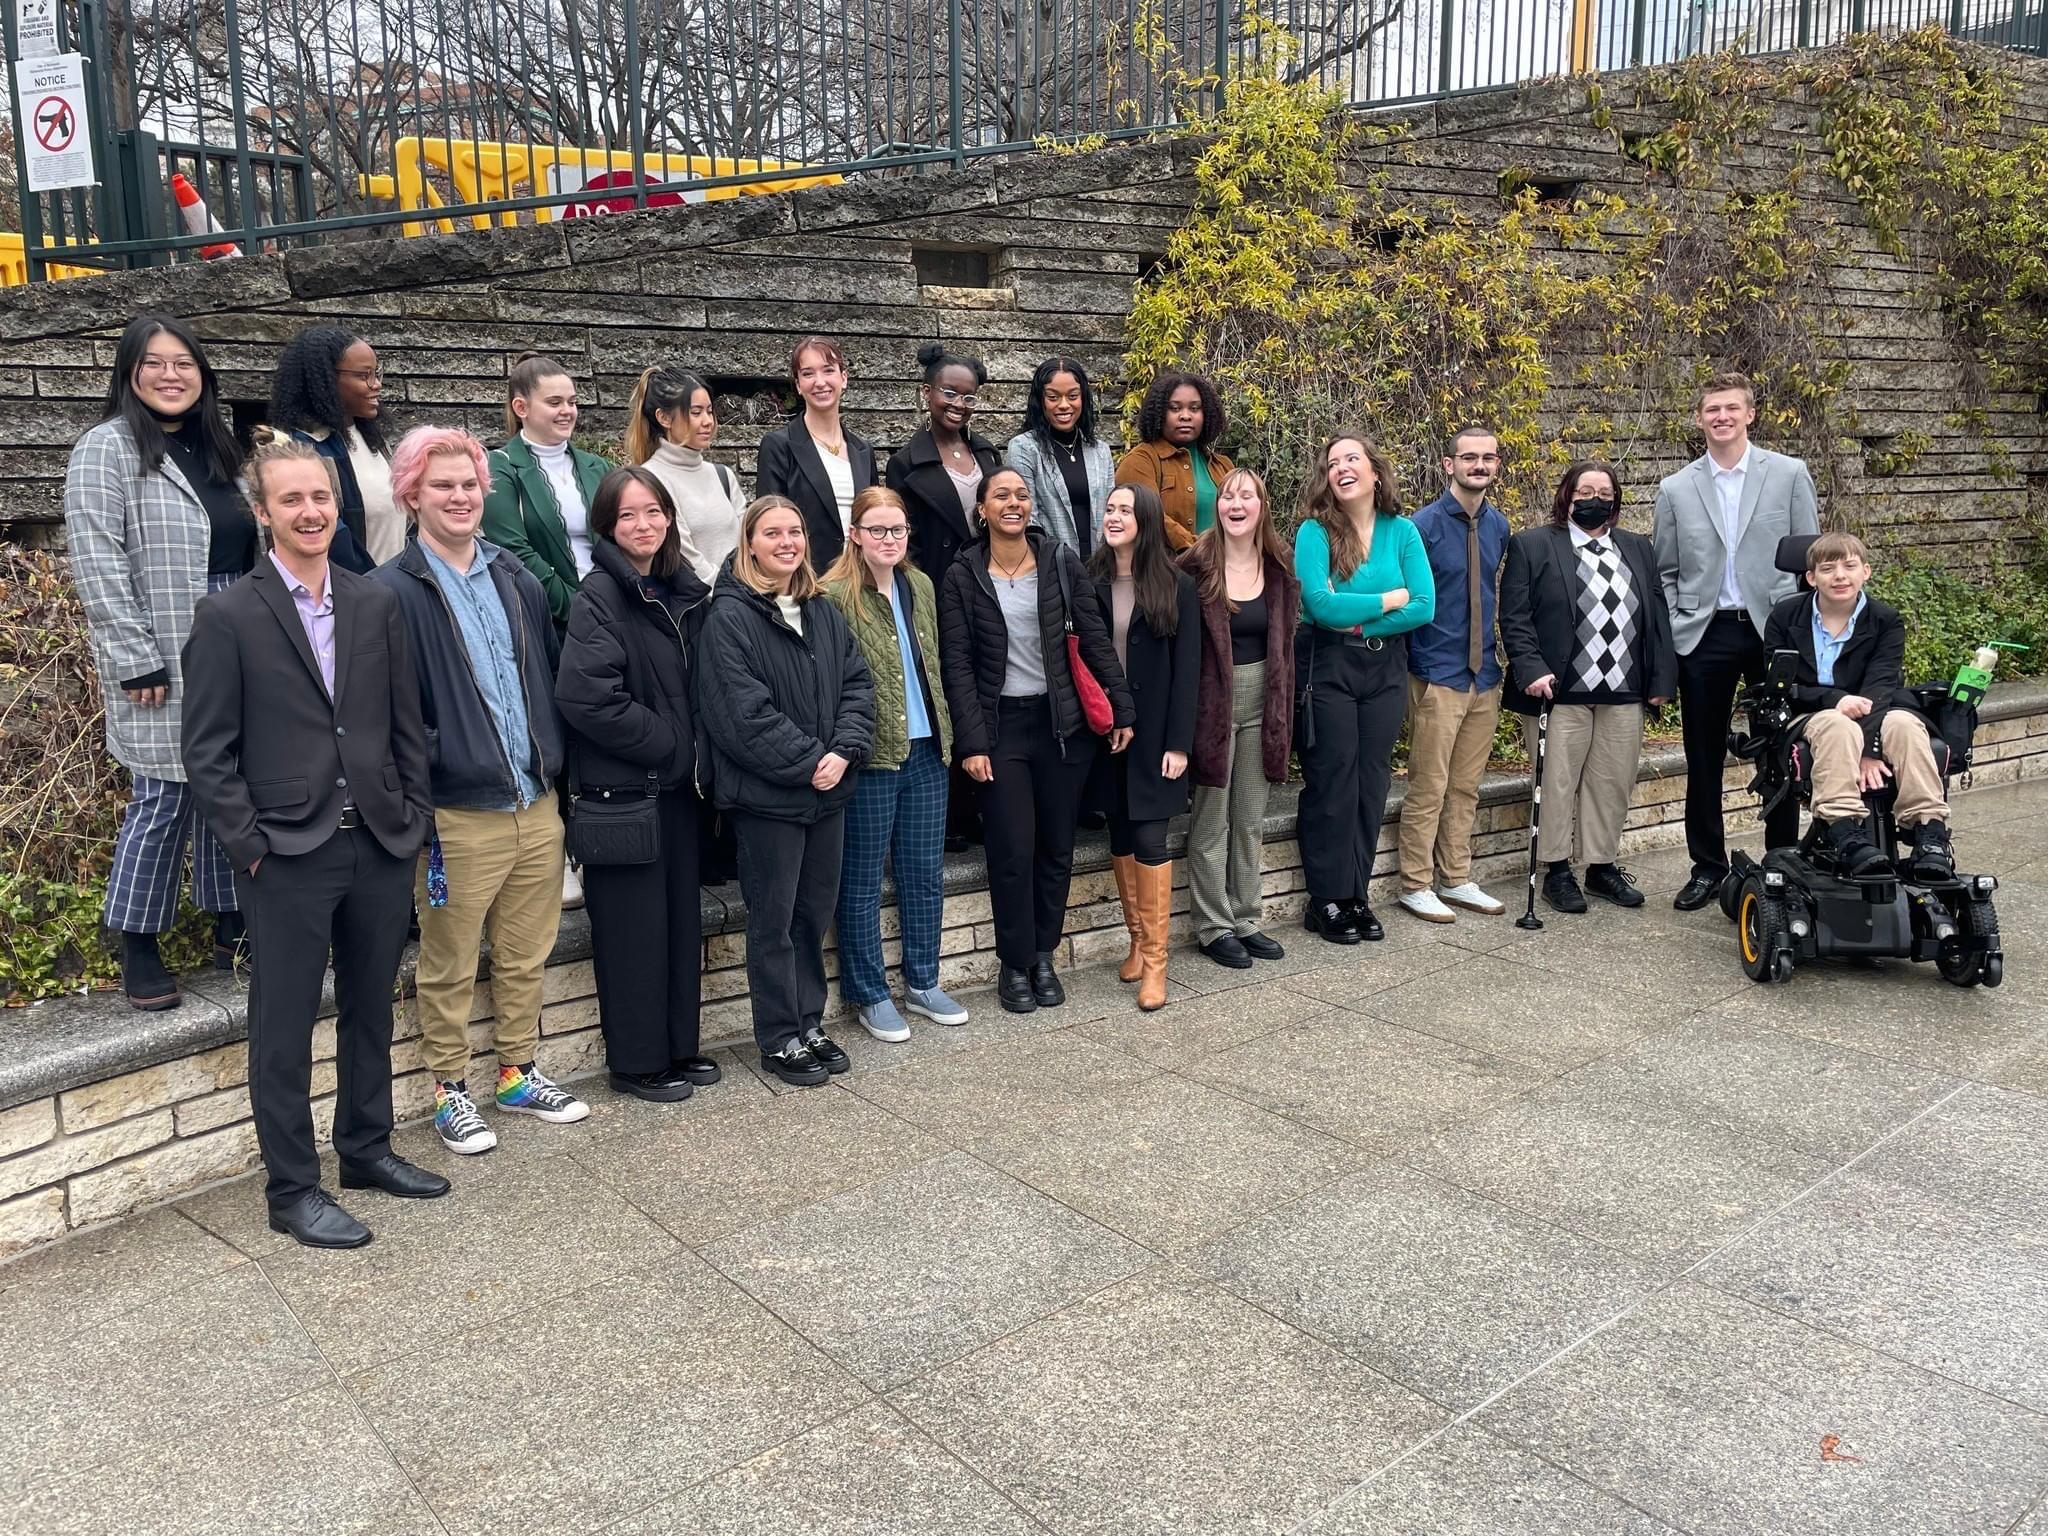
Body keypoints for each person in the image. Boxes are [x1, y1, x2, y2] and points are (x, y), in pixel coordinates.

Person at [181, 437, 443, 1249]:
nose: (310, 512)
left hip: (376, 839)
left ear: (338, 504)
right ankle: (292, 1189)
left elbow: (405, 723)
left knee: (370, 1009)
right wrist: (250, 847)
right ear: (263, 513)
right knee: (283, 1028)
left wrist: (411, 819)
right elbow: (207, 752)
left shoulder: (375, 603)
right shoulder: (226, 616)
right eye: (290, 500)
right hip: (286, 854)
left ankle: (366, 1150)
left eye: (320, 498)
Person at [373, 426, 591, 1153]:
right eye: (443, 485)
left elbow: (543, 679)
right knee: (451, 959)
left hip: (534, 800)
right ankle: (448, 1091)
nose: (460, 496)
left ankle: (516, 1073)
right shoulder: (389, 593)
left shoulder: (517, 579)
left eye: (469, 483)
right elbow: (384, 711)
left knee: (526, 951)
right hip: (456, 813)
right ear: (412, 494)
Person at [66, 314, 256, 1011]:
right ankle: (137, 937)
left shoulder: (222, 449)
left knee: (231, 778)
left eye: (185, 363)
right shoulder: (105, 449)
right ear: (129, 372)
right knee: (166, 792)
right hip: (164, 642)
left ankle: (227, 919)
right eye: (154, 362)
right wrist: (132, 656)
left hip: (241, 629)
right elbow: (96, 558)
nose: (171, 375)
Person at [554, 467, 723, 1102]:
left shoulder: (685, 591)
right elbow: (587, 697)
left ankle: (679, 1045)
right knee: (632, 934)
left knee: (679, 925)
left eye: (653, 512)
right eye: (628, 516)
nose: (644, 525)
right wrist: (675, 745)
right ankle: (636, 1062)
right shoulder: (601, 594)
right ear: (607, 526)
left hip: (676, 792)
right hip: (624, 796)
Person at [939, 468, 1134, 1013]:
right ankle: (1014, 961)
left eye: (1022, 495)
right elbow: (956, 665)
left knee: (1056, 847)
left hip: (1060, 727)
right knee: (1011, 849)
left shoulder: (1058, 560)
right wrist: (971, 742)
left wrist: (1121, 708)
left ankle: (1043, 956)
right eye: (1001, 494)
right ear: (981, 509)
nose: (1014, 502)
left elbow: (1093, 637)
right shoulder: (962, 575)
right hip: (1000, 730)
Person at [698, 496, 875, 1085]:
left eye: (794, 532)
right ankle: (778, 1036)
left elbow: (857, 686)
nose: (785, 542)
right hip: (769, 800)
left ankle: (808, 1020)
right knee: (772, 921)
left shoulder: (822, 610)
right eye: (771, 533)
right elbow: (742, 717)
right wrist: (810, 761)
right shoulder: (729, 617)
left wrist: (844, 752)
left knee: (812, 914)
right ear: (749, 542)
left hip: (828, 795)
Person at [1653, 370, 1818, 910]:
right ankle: (1707, 866)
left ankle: (1783, 862)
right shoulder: (1676, 488)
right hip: (1706, 634)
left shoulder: (1789, 474)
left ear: (1750, 413)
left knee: (1780, 748)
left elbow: (1808, 559)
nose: (1721, 417)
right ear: (1700, 418)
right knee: (1702, 754)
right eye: (1711, 410)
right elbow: (1666, 568)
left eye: (1731, 408)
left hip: (1775, 632)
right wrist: (1681, 622)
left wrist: (1801, 627)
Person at [819, 486, 968, 1042]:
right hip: (871, 755)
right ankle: (869, 992)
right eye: (877, 529)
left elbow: (935, 661)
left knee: (923, 872)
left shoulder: (920, 585)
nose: (889, 539)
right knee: (859, 880)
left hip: (929, 748)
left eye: (898, 530)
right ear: (854, 534)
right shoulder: (833, 594)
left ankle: (924, 982)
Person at [1499, 460, 1676, 912]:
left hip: (1623, 689)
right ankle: (1557, 871)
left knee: (1611, 782)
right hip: (1558, 692)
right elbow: (1515, 617)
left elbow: (1656, 617)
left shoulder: (1638, 548)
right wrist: (1531, 668)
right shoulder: (1533, 545)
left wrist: (1659, 680)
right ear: (1567, 496)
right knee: (1556, 782)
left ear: (1616, 500)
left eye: (1604, 491)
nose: (1594, 499)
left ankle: (1601, 868)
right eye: (1585, 491)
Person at [1294, 433, 1435, 944]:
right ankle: (1325, 899)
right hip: (1328, 669)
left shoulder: (1404, 532)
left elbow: (1423, 605)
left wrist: (1362, 623)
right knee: (1334, 780)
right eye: (1333, 462)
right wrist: (1387, 599)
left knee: (1372, 783)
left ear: (1375, 472)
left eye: (1352, 458)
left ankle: (1356, 895)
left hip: (1384, 671)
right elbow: (1320, 606)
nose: (1341, 468)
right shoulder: (1315, 532)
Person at [1763, 532, 1954, 879]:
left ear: (1865, 571)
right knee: (1838, 726)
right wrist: (1835, 700)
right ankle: (1844, 831)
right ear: (1811, 577)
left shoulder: (1885, 619)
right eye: (1828, 568)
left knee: (1906, 725)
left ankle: (1929, 832)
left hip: (1875, 707)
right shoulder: (1785, 616)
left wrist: (1869, 749)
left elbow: (1881, 684)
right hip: (1810, 714)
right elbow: (1784, 685)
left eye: (1850, 566)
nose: (1840, 576)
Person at [1180, 467, 1298, 968]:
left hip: (1263, 704)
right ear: (1218, 507)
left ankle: (1247, 917)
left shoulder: (1279, 567)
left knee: (1249, 820)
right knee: (1210, 820)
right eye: (1228, 495)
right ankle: (1213, 925)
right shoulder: (1193, 566)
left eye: (1246, 495)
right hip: (1211, 704)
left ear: (1261, 507)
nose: (1236, 503)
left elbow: (1288, 646)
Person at [1090, 483, 1199, 1011]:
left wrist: (1180, 743)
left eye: (1125, 510)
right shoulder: (1090, 582)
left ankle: (1157, 962)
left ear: (1147, 519)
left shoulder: (1176, 586)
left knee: (1152, 841)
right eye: (1109, 509)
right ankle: (1135, 940)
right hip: (1105, 736)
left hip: (1156, 738)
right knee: (1121, 836)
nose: (1114, 517)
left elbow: (1188, 675)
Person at [1396, 427, 1512, 925]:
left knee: (1466, 785)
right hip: (1437, 672)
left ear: (1497, 466)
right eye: (1469, 457)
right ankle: (1415, 883)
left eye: (1487, 458)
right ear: (1449, 465)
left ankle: (1457, 876)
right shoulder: (1418, 528)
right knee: (1429, 784)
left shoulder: (1499, 527)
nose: (1478, 465)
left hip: (1483, 673)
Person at [481, 352, 612, 633]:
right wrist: (578, 607)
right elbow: (513, 551)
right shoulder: (500, 467)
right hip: (552, 625)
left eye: (572, 402)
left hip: (616, 610)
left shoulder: (598, 467)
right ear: (521, 407)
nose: (567, 410)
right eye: (554, 402)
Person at [267, 324, 399, 571]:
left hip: (394, 592)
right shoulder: (302, 449)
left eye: (376, 373)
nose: (376, 385)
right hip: (354, 595)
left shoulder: (372, 439)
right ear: (324, 381)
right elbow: (335, 543)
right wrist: (373, 587)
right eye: (363, 376)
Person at [755, 334, 878, 573]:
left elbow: (872, 519)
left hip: (860, 579)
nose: (819, 382)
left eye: (828, 370)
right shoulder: (779, 446)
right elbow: (768, 522)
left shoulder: (863, 450)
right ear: (798, 385)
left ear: (843, 378)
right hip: (806, 581)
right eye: (808, 373)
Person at [889, 342, 1002, 586]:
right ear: (927, 392)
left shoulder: (987, 454)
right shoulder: (904, 464)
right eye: (949, 393)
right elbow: (907, 545)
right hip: (941, 583)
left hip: (993, 580)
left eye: (969, 397)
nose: (959, 405)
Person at [625, 358, 743, 584]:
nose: (708, 421)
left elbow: (749, 542)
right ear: (664, 418)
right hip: (701, 608)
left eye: (709, 411)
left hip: (742, 605)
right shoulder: (651, 480)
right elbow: (685, 558)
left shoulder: (723, 476)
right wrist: (730, 596)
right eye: (696, 412)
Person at [1004, 356, 1115, 558]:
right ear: (1040, 400)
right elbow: (1028, 519)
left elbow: (1110, 514)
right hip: (1052, 569)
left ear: (1083, 398)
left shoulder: (1101, 451)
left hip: (1101, 570)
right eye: (1053, 397)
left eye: (1072, 396)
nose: (1064, 405)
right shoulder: (1024, 448)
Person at [1114, 371, 1236, 551]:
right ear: (1159, 413)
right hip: (1164, 573)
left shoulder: (1223, 466)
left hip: (1221, 571)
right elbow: (1149, 517)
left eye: (1194, 408)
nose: (1185, 416)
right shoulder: (1140, 461)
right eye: (1175, 408)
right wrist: (1200, 551)